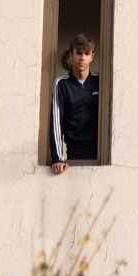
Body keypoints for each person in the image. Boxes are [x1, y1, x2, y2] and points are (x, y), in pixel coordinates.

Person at [48, 32, 99, 173]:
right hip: (75, 152)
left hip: (101, 152)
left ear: (92, 57)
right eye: (78, 53)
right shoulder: (61, 84)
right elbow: (56, 122)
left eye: (86, 53)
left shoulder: (100, 82)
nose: (82, 58)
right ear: (71, 55)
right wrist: (58, 158)